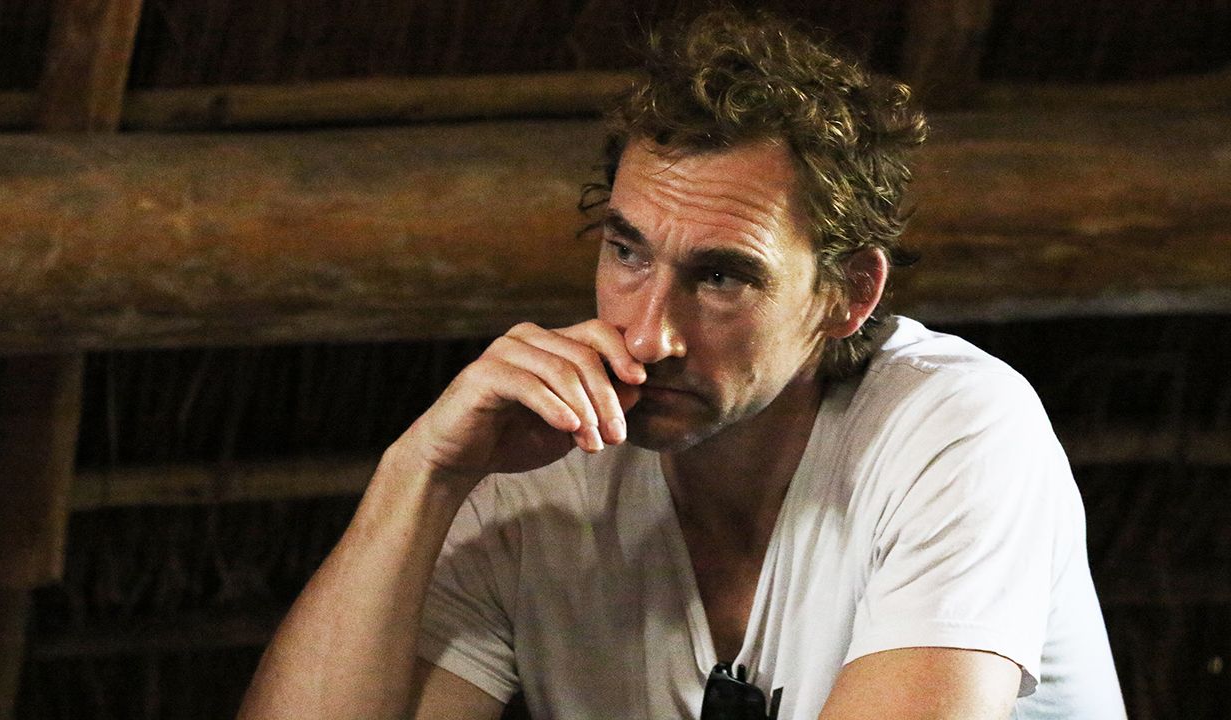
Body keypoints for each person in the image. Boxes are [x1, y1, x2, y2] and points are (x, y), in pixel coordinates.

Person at [239, 9, 1126, 720]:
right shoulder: (538, 466)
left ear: (848, 294)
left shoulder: (955, 430)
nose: (648, 335)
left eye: (720, 276)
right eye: (627, 251)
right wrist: (422, 474)